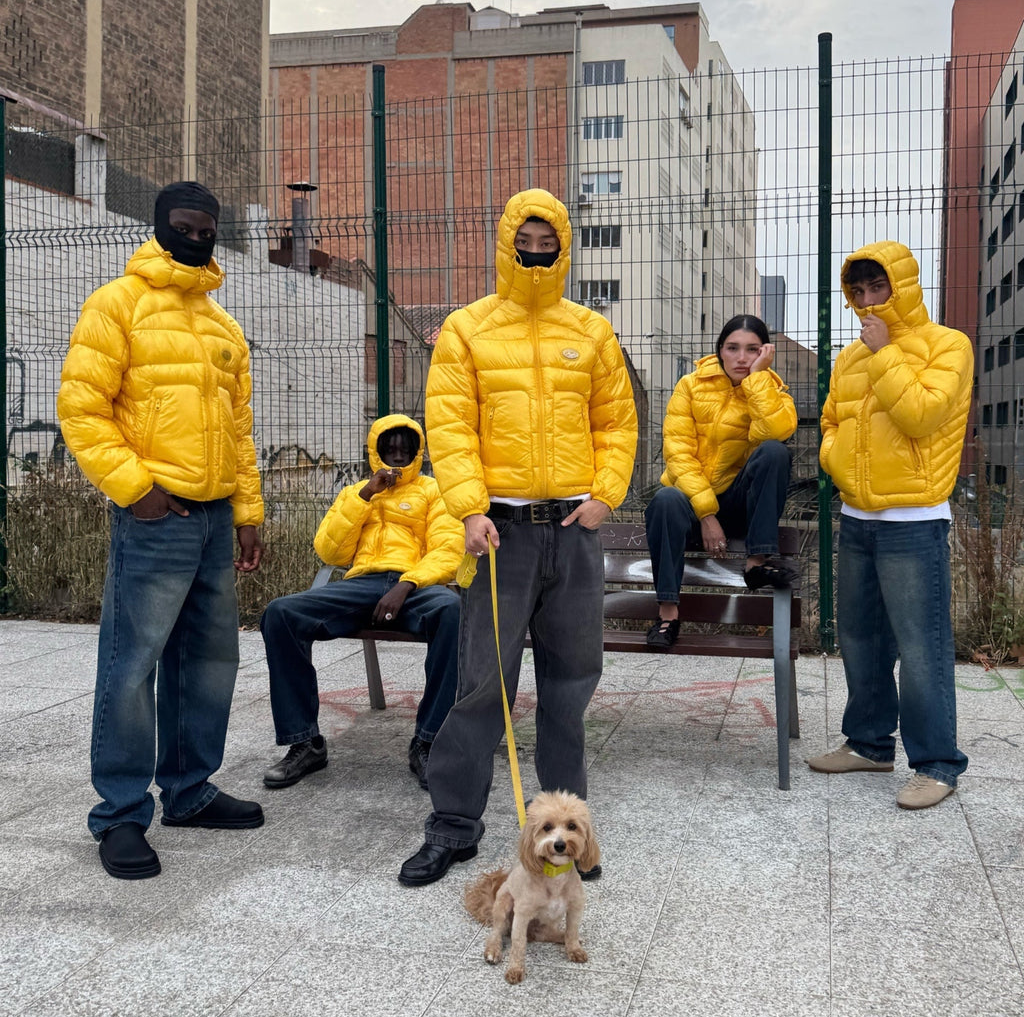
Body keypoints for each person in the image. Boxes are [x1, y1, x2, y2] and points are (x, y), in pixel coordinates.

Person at [398, 188, 638, 887]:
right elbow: (450, 427)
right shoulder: (469, 329)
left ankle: (570, 836)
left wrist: (604, 497)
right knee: (481, 686)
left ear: (563, 246)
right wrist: (469, 507)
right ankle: (452, 826)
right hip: (500, 533)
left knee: (569, 685)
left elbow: (617, 422)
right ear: (506, 243)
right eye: (524, 240)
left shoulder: (590, 330)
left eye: (547, 240)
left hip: (573, 532)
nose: (536, 251)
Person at [57, 181, 266, 880]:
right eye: (184, 225)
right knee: (132, 666)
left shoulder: (221, 325)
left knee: (209, 665)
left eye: (208, 227)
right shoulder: (116, 305)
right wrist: (135, 491)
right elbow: (82, 409)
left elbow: (237, 430)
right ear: (158, 226)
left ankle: (189, 790)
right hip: (155, 516)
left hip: (212, 519)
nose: (197, 236)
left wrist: (248, 513)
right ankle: (119, 815)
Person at [808, 241, 973, 809]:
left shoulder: (948, 346)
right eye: (858, 291)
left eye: (878, 288)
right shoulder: (851, 357)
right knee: (860, 638)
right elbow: (831, 420)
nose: (868, 301)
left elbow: (922, 414)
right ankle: (869, 743)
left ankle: (937, 763)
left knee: (920, 645)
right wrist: (834, 458)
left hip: (914, 519)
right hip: (858, 516)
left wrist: (884, 354)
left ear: (902, 287)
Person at [260, 415, 463, 790]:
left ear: (418, 454)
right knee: (281, 613)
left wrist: (407, 584)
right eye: (389, 450)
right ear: (376, 452)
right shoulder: (356, 492)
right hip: (363, 583)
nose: (396, 458)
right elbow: (330, 551)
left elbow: (448, 550)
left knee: (452, 611)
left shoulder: (434, 491)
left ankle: (429, 740)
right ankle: (304, 742)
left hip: (415, 584)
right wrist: (364, 496)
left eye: (406, 450)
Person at [643, 315, 798, 649]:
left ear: (764, 353)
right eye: (733, 348)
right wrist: (705, 515)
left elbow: (775, 433)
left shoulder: (773, 393)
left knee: (774, 452)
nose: (742, 358)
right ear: (720, 350)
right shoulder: (690, 386)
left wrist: (757, 383)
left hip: (738, 502)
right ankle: (668, 614)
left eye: (752, 350)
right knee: (665, 499)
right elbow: (678, 453)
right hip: (691, 504)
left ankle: (757, 563)